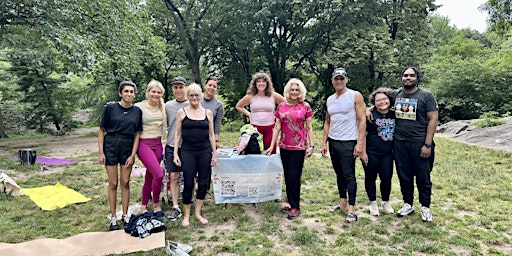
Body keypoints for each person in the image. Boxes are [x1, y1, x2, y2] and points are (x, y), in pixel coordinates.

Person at [321, 67, 367, 223]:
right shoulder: (330, 99)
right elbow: (327, 122)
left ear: (346, 80)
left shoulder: (355, 96)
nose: (339, 81)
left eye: (342, 78)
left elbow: (362, 120)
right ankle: (342, 202)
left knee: (349, 175)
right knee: (339, 173)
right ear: (332, 81)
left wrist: (360, 143)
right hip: (333, 141)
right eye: (336, 79)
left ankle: (352, 208)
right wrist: (324, 143)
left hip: (348, 141)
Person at [264, 78, 314, 220]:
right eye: (292, 89)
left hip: (299, 147)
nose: (294, 92)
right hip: (284, 146)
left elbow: (309, 128)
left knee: (294, 176)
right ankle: (290, 202)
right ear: (288, 91)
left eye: (297, 90)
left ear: (300, 92)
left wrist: (311, 145)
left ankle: (296, 206)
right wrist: (271, 145)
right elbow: (277, 127)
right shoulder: (281, 107)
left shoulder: (305, 106)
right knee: (287, 175)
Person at [392, 67, 438, 222]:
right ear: (401, 78)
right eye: (405, 75)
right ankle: (407, 204)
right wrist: (369, 109)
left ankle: (425, 207)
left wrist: (428, 144)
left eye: (412, 75)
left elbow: (433, 119)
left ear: (417, 78)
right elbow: (381, 102)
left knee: (423, 177)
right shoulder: (396, 94)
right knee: (404, 175)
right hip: (399, 142)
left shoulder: (426, 96)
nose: (408, 78)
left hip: (419, 142)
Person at [98, 78, 143, 231]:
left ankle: (125, 214)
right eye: (126, 91)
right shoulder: (110, 108)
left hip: (127, 147)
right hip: (110, 145)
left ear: (134, 94)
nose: (129, 94)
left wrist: (132, 154)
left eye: (132, 92)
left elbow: (137, 133)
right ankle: (113, 217)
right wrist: (101, 152)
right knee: (113, 183)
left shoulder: (137, 111)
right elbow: (101, 131)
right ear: (120, 93)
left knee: (125, 182)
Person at [173, 83, 217, 227]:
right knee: (189, 182)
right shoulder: (182, 112)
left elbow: (211, 135)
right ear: (188, 96)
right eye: (191, 95)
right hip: (187, 151)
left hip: (204, 151)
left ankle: (198, 212)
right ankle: (186, 215)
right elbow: (177, 134)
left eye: (197, 95)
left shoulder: (207, 113)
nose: (194, 98)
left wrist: (214, 153)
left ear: (201, 96)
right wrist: (175, 154)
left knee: (203, 182)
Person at [135, 80, 166, 217]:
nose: (156, 94)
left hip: (158, 143)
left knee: (150, 175)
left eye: (159, 92)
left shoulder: (162, 106)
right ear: (148, 92)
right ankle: (156, 204)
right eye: (153, 91)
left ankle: (143, 206)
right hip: (144, 143)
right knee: (159, 174)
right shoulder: (139, 107)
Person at [362, 87, 395, 216]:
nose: (382, 102)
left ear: (389, 100)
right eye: (378, 100)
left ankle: (386, 201)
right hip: (371, 152)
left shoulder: (394, 114)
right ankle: (373, 203)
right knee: (370, 177)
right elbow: (363, 134)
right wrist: (363, 153)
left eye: (385, 99)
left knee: (386, 177)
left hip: (388, 153)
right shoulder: (370, 115)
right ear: (373, 102)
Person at [236, 72, 285, 154]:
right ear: (255, 84)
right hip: (254, 130)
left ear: (267, 83)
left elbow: (285, 104)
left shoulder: (273, 95)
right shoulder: (250, 96)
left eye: (263, 81)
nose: (261, 83)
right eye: (259, 81)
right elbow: (238, 106)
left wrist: (277, 115)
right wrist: (249, 114)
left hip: (270, 129)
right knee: (254, 152)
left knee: (270, 152)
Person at [164, 76, 189, 222]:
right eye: (175, 87)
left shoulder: (193, 102)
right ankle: (175, 206)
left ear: (185, 88)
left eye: (181, 87)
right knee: (173, 176)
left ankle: (189, 199)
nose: (178, 90)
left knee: (190, 175)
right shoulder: (167, 106)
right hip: (172, 145)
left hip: (189, 146)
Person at [201, 76, 224, 200]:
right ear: (205, 86)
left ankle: (206, 190)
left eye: (214, 86)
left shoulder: (218, 105)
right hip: (194, 137)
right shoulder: (196, 99)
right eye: (210, 85)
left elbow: (217, 124)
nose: (212, 88)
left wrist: (216, 141)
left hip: (209, 138)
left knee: (206, 165)